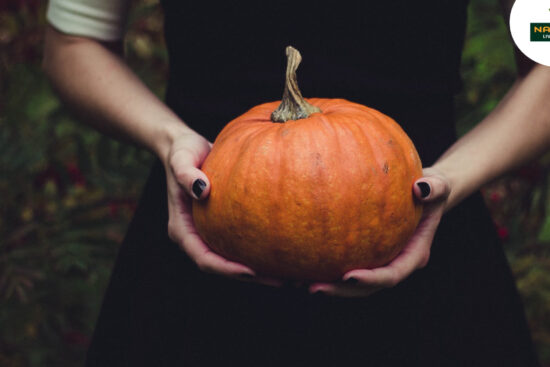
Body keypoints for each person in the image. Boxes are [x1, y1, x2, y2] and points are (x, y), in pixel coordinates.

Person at [43, 0, 549, 366]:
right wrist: (170, 138)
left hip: (422, 230)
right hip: (207, 225)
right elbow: (74, 42)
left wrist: (449, 180)